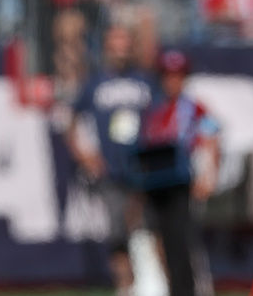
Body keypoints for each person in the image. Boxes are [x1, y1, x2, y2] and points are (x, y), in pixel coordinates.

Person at [64, 24, 155, 295]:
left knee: (148, 229)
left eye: (124, 43)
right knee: (118, 232)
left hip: (145, 167)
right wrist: (85, 156)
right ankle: (125, 285)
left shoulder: (145, 81)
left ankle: (151, 282)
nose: (120, 50)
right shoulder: (95, 83)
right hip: (112, 170)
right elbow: (70, 121)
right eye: (115, 43)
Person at [132, 50, 219, 296]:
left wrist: (208, 175)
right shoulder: (154, 109)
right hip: (157, 185)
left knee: (185, 242)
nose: (172, 81)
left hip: (184, 185)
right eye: (168, 76)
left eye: (177, 76)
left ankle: (192, 290)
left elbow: (211, 137)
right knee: (161, 241)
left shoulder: (193, 108)